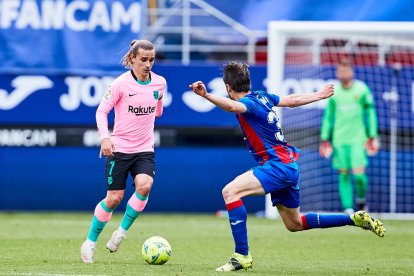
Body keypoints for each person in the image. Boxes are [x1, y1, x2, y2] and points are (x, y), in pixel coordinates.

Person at [189, 61, 385, 272]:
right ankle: (353, 219)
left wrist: (206, 95)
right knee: (295, 225)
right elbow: (291, 100)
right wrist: (318, 95)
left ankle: (242, 255)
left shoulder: (249, 103)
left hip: (277, 166)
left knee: (230, 192)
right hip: (288, 166)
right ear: (249, 82)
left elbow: (232, 106)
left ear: (227, 87)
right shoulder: (262, 96)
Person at [81, 39, 166, 263]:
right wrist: (105, 138)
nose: (148, 64)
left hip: (144, 149)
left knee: (145, 186)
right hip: (120, 149)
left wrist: (153, 105)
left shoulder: (159, 83)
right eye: (144, 60)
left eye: (152, 60)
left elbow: (157, 112)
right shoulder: (119, 84)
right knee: (114, 198)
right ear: (132, 59)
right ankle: (89, 242)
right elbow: (101, 112)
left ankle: (121, 233)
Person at [320, 60, 379, 214]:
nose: (342, 74)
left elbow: (370, 112)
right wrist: (325, 137)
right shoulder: (334, 93)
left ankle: (361, 200)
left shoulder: (362, 89)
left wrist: (372, 134)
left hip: (359, 139)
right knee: (344, 175)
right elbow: (328, 116)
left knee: (359, 175)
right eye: (339, 71)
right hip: (339, 140)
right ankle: (348, 209)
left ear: (351, 72)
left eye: (345, 71)